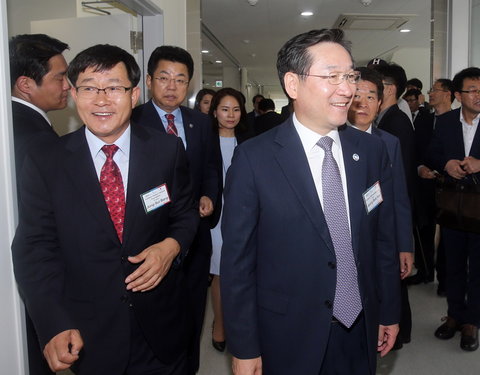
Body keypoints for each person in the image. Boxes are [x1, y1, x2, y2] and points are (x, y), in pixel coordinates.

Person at [221, 28, 400, 375]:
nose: (348, 89)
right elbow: (238, 264)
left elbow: (382, 238)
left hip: (361, 326)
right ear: (293, 84)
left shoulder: (371, 151)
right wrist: (244, 346)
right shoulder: (254, 159)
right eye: (332, 76)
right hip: (288, 332)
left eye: (350, 76)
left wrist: (389, 310)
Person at [11, 44, 199, 374]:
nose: (101, 100)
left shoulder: (166, 150)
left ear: (135, 93)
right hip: (89, 333)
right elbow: (34, 248)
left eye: (113, 87)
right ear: (72, 93)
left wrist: (170, 248)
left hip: (161, 327)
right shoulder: (46, 162)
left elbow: (184, 213)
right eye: (88, 88)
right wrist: (52, 322)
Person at [131, 45, 219, 375]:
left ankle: (189, 367)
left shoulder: (199, 122)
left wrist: (210, 195)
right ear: (150, 80)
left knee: (194, 306)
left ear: (189, 84)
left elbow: (212, 167)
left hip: (194, 234)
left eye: (180, 80)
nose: (172, 86)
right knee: (154, 311)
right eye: (164, 78)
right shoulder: (133, 119)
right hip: (150, 236)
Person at [9, 33, 70, 375]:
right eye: (60, 77)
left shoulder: (15, 125)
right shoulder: (34, 139)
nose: (67, 85)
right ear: (25, 84)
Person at [348, 67, 413, 350]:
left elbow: (399, 197)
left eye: (370, 96)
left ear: (380, 102)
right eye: (357, 95)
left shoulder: (389, 143)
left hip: (383, 237)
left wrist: (405, 246)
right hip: (349, 235)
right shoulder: (334, 139)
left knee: (380, 292)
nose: (363, 102)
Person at [427, 67, 480, 352]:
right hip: (453, 208)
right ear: (458, 95)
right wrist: (446, 163)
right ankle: (454, 316)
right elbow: (432, 152)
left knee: (478, 269)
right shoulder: (446, 121)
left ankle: (472, 322)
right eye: (472, 90)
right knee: (453, 266)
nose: (478, 96)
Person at [207, 87, 251, 353]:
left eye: (236, 109)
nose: (231, 114)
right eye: (225, 109)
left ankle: (241, 324)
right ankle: (220, 325)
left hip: (244, 214)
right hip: (215, 216)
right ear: (214, 112)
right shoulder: (205, 140)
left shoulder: (250, 141)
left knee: (244, 271)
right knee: (221, 272)